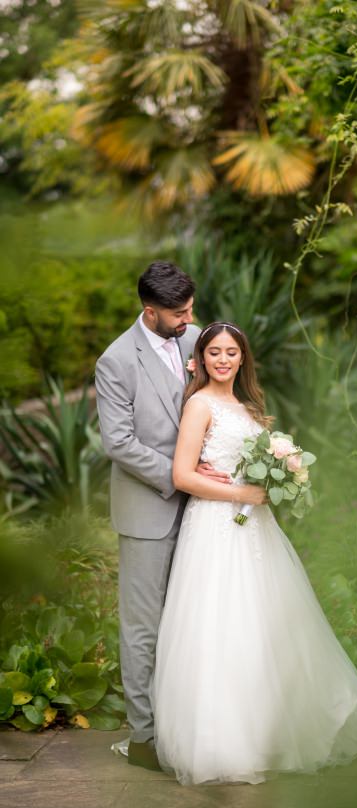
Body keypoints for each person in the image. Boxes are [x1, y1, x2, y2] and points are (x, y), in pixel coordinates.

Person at [152, 321, 357, 785]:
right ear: (200, 360)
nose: (224, 360)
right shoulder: (198, 406)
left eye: (232, 352)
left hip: (255, 528)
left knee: (265, 622)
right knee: (221, 623)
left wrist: (279, 476)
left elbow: (252, 466)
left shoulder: (247, 407)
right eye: (215, 352)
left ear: (243, 359)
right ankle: (224, 741)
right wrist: (244, 495)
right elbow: (183, 475)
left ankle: (272, 731)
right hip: (217, 526)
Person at [95, 261, 230, 771]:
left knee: (192, 620)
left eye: (191, 309)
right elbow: (119, 443)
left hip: (203, 513)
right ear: (150, 312)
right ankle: (146, 740)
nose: (190, 320)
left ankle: (188, 726)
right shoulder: (115, 362)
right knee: (143, 629)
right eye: (179, 313)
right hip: (148, 511)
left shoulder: (195, 337)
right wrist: (183, 472)